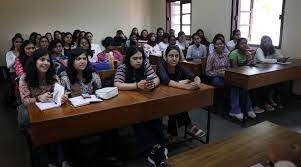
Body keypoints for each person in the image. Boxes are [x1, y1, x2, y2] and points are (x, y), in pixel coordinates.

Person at [114, 46, 168, 166]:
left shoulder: (145, 65)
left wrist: (152, 84)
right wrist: (137, 85)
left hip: (144, 100)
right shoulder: (123, 68)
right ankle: (152, 148)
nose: (139, 61)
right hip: (127, 102)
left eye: (141, 58)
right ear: (128, 59)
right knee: (139, 121)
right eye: (135, 58)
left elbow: (156, 78)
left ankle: (158, 145)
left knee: (155, 116)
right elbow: (117, 84)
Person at [18, 48, 70, 167]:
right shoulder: (25, 78)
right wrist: (37, 98)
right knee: (42, 134)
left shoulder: (53, 76)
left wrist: (63, 97)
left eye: (48, 60)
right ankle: (48, 162)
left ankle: (62, 160)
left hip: (51, 110)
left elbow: (60, 92)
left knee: (61, 129)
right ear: (34, 61)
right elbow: (25, 101)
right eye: (42, 60)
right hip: (34, 112)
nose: (45, 63)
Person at [157, 45, 205, 139]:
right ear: (166, 57)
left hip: (174, 95)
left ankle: (173, 133)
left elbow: (194, 76)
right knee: (176, 104)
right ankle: (189, 125)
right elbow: (166, 80)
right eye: (171, 56)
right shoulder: (161, 63)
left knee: (175, 103)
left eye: (176, 56)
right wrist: (186, 86)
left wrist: (197, 83)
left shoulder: (179, 65)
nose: (174, 59)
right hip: (160, 96)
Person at [255, 35, 287, 110]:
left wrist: (282, 59)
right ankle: (265, 102)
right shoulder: (259, 49)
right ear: (262, 43)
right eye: (265, 42)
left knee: (279, 82)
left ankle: (271, 99)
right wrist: (276, 60)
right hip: (258, 71)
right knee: (264, 84)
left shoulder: (273, 49)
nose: (267, 43)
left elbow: (280, 56)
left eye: (269, 41)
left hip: (268, 71)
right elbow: (262, 60)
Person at [228, 38, 257, 120]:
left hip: (243, 76)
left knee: (246, 87)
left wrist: (251, 61)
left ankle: (248, 109)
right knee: (236, 87)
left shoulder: (247, 53)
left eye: (245, 43)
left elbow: (250, 66)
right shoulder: (234, 53)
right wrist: (248, 64)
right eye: (242, 43)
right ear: (238, 45)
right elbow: (235, 69)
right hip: (232, 76)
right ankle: (234, 110)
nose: (244, 45)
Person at [206, 37, 230, 113]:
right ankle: (219, 106)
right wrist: (218, 73)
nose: (220, 46)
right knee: (221, 84)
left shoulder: (226, 55)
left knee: (235, 83)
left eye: (221, 44)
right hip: (215, 77)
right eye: (217, 44)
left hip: (225, 76)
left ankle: (229, 105)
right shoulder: (212, 56)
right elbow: (207, 71)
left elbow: (228, 67)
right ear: (214, 46)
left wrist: (226, 72)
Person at [6, 35, 23, 104]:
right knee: (17, 87)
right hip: (14, 74)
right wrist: (17, 58)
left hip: (23, 73)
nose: (19, 43)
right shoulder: (9, 53)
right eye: (17, 42)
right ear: (13, 43)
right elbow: (8, 66)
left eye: (20, 42)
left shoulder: (24, 52)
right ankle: (18, 102)